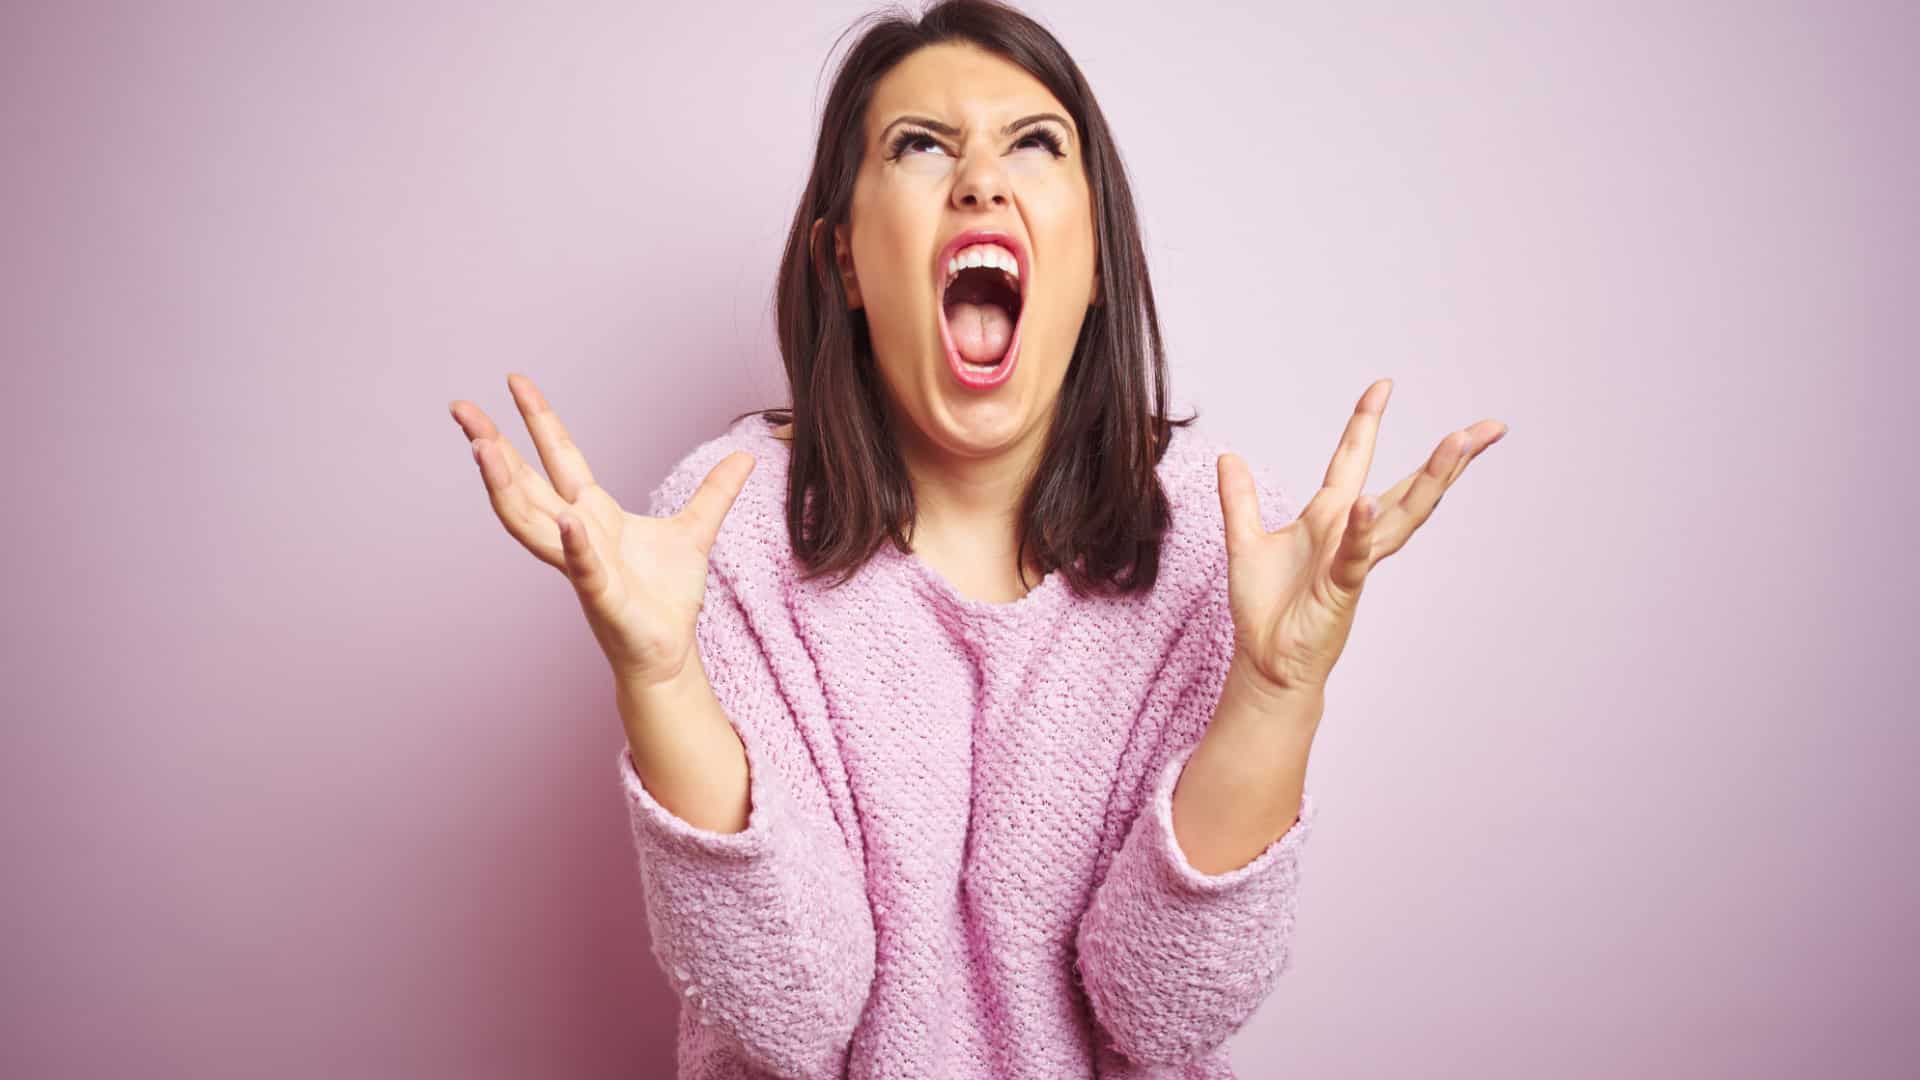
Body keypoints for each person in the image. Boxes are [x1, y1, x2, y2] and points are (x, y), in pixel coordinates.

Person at [448, 1, 1505, 1075]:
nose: (982, 182)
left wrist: (1276, 697)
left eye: (1035, 144)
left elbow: (1164, 1014)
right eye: (920, 146)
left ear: (1096, 253)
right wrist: (661, 677)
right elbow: (790, 1014)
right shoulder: (729, 525)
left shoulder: (1216, 542)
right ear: (846, 261)